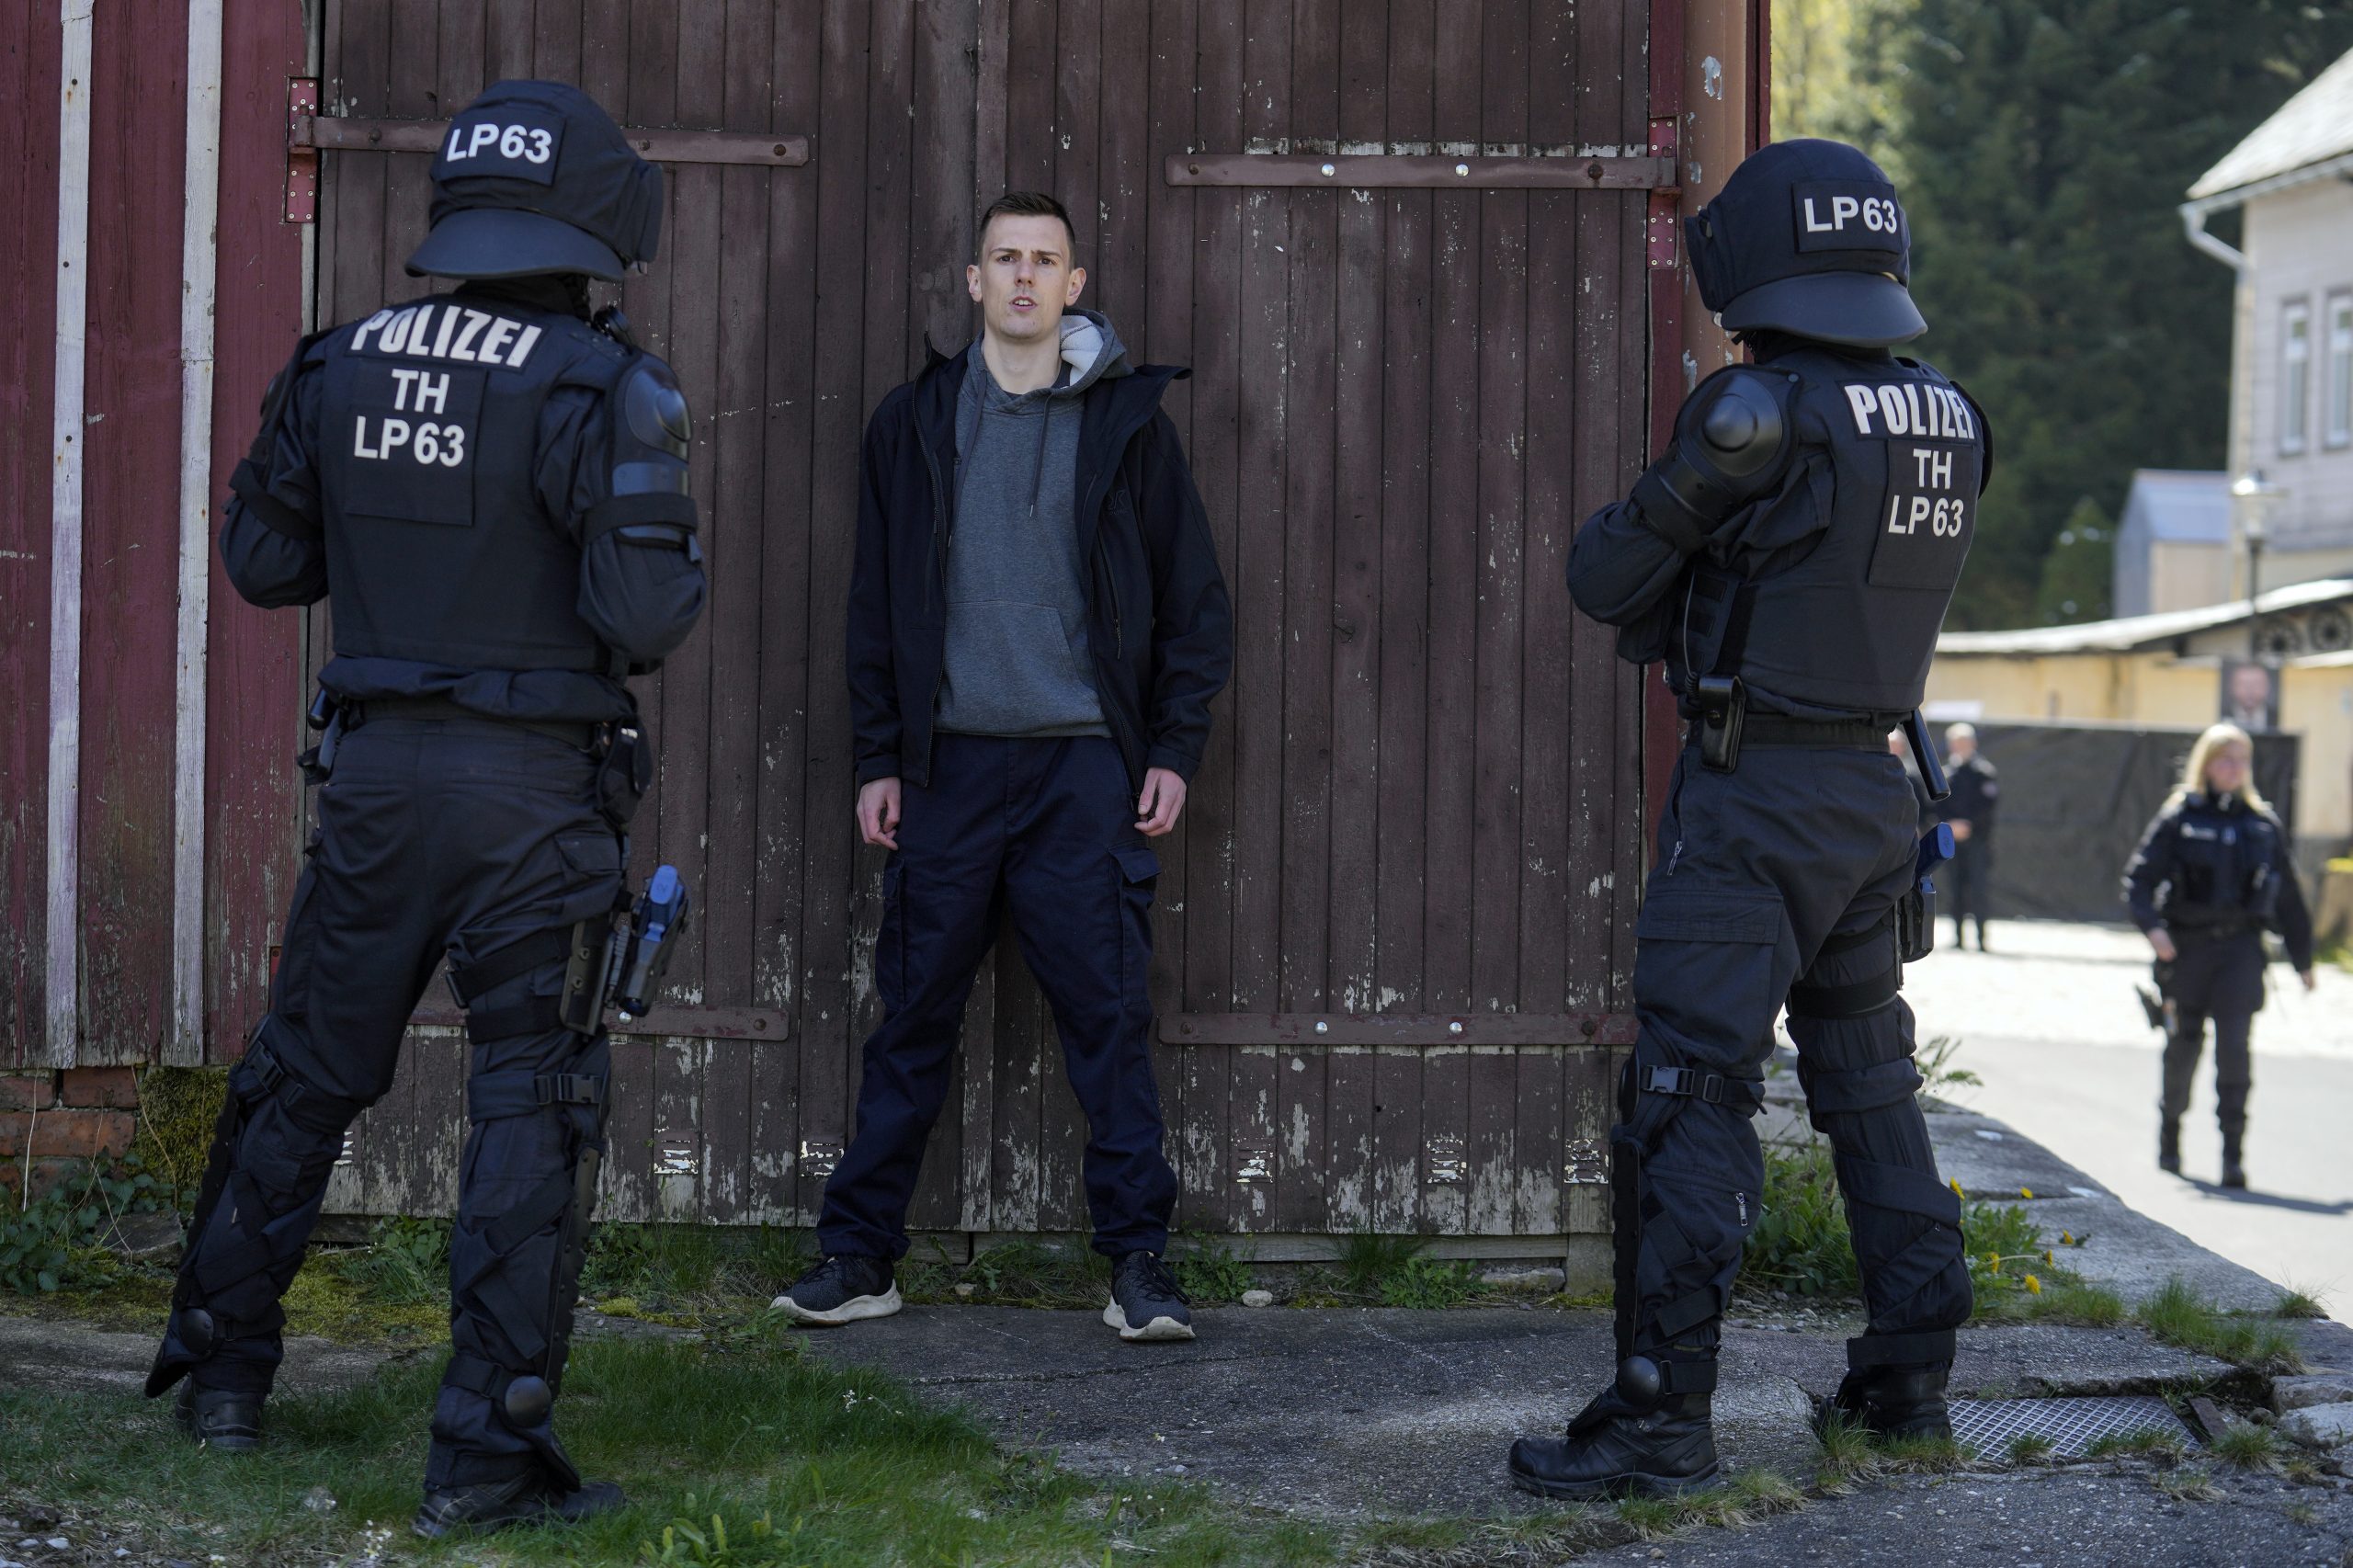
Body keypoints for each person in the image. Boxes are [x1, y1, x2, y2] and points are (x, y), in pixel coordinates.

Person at [146, 81, 706, 1538]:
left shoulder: (338, 362)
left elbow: (266, 567)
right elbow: (645, 609)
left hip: (380, 787)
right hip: (531, 801)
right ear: (588, 223)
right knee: (534, 1101)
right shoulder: (604, 386)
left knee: (304, 1074)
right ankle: (483, 1458)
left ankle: (222, 1377)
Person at [1511, 139, 1986, 1499]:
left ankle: (1662, 1415)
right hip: (1875, 792)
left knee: (1686, 1095)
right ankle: (1909, 1380)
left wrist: (1687, 499)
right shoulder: (1947, 414)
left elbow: (1607, 578)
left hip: (1756, 801)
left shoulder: (1756, 413)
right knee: (1871, 1085)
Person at [773, 191, 1232, 1344]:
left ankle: (1138, 1269)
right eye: (1004, 258)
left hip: (1085, 768)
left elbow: (1195, 605)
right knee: (911, 1017)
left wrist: (1172, 747)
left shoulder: (1129, 424)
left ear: (1076, 284)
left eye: (1045, 260)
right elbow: (874, 603)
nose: (1024, 277)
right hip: (949, 771)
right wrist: (882, 754)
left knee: (1107, 1021)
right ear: (972, 281)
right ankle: (861, 1255)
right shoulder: (916, 419)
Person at [2123, 722, 2313, 1188]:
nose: (2233, 768)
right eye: (2224, 759)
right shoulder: (2180, 817)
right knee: (2182, 1048)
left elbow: (2288, 897)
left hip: (2241, 953)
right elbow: (2138, 881)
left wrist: (2304, 959)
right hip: (2187, 951)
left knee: (2234, 1053)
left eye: (2240, 760)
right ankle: (2170, 1132)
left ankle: (2233, 1155)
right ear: (2206, 764)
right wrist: (2156, 932)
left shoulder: (2262, 825)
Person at [1938, 723, 1997, 950]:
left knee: (1978, 890)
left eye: (1964, 742)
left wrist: (1968, 825)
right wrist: (1951, 826)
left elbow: (1987, 807)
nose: (1960, 747)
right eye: (1956, 742)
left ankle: (1982, 939)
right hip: (1952, 840)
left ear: (1973, 743)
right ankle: (1958, 939)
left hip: (1977, 842)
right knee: (1955, 889)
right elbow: (1937, 806)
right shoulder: (1945, 774)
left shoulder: (1984, 772)